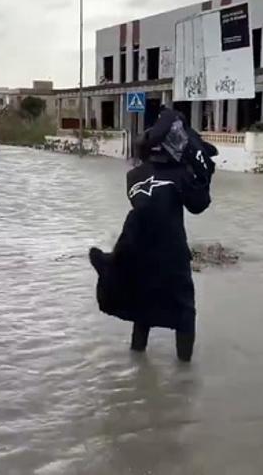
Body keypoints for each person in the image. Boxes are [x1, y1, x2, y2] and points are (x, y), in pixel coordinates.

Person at [89, 108, 217, 362]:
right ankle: (184, 375)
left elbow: (148, 205)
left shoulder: (133, 177)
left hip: (138, 249)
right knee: (184, 314)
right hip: (171, 254)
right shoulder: (179, 175)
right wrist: (203, 173)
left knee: (142, 310)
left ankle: (138, 362)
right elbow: (199, 204)